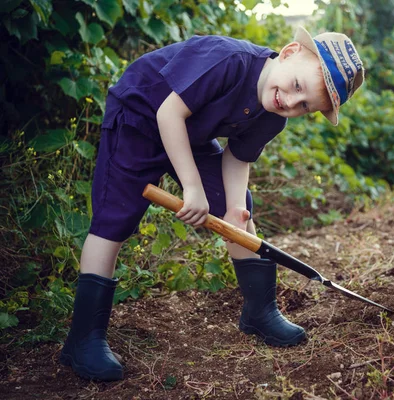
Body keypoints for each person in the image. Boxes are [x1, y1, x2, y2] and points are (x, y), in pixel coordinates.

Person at [59, 26, 365, 381]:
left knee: (241, 211)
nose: (291, 103)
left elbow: (237, 158)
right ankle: (83, 341)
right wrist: (191, 186)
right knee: (114, 222)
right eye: (297, 87)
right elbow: (167, 114)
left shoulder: (273, 114)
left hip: (192, 134)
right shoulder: (228, 60)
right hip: (140, 120)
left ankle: (259, 313)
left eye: (304, 106)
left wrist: (233, 210)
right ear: (289, 51)